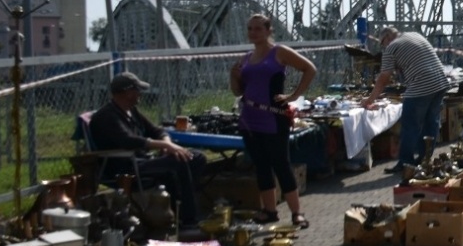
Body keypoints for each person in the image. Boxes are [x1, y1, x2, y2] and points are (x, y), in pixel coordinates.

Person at [87, 71, 208, 233]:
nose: (140, 94)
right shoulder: (107, 116)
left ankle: (179, 206)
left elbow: (157, 130)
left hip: (142, 161)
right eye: (137, 90)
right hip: (124, 167)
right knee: (179, 161)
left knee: (197, 157)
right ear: (127, 92)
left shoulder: (131, 111)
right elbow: (128, 140)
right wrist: (167, 147)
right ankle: (188, 220)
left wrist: (167, 144)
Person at [229, 14, 316, 227]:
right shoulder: (246, 58)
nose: (253, 33)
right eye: (250, 28)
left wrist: (293, 95)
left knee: (281, 163)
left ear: (269, 31)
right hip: (250, 118)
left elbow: (309, 69)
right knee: (261, 165)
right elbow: (237, 91)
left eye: (258, 28)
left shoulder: (279, 52)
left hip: (273, 117)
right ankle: (269, 211)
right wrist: (233, 76)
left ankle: (297, 213)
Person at [364, 26, 452, 173]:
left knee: (409, 125)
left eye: (382, 43)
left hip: (422, 85)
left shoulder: (391, 47)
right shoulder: (415, 35)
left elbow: (384, 78)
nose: (383, 46)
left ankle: (406, 163)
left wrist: (370, 99)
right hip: (440, 83)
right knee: (430, 123)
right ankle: (425, 160)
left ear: (388, 37)